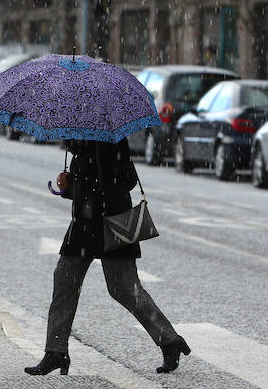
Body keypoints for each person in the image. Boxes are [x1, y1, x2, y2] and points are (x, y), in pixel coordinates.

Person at [25, 138, 190, 376]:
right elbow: (87, 183)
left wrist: (96, 181)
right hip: (84, 224)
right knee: (65, 280)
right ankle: (56, 351)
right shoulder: (82, 139)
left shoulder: (109, 136)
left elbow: (127, 179)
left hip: (112, 223)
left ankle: (169, 340)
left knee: (123, 288)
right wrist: (70, 185)